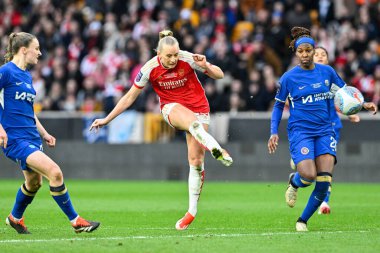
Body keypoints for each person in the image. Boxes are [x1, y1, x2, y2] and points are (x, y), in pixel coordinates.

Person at [90, 30, 233, 231]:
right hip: (171, 108)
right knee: (192, 123)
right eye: (169, 56)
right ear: (159, 54)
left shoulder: (187, 58)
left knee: (196, 161)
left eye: (176, 54)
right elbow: (129, 98)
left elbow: (220, 75)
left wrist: (205, 65)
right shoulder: (149, 68)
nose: (174, 59)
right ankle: (216, 147)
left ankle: (191, 212)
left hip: (200, 107)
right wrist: (106, 119)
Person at [267, 27, 377, 232]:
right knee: (308, 176)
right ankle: (295, 182)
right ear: (297, 53)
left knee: (324, 180)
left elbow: (344, 93)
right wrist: (274, 131)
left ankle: (302, 220)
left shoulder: (327, 72)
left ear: (313, 50)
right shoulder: (289, 78)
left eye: (308, 50)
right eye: (301, 51)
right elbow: (278, 106)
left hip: (326, 130)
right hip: (301, 131)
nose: (305, 54)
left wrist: (364, 104)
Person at [0, 32, 100, 234]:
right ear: (23, 49)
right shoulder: (6, 72)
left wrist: (44, 133)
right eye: (36, 48)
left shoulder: (26, 76)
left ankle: (15, 218)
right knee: (55, 172)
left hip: (32, 137)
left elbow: (29, 112)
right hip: (15, 139)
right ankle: (76, 221)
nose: (39, 52)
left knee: (34, 183)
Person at [289, 46, 361, 215]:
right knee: (310, 171)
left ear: (328, 60)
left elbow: (343, 100)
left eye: (324, 55)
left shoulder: (329, 78)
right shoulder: (305, 80)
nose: (320, 57)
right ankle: (297, 178)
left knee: (326, 169)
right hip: (308, 128)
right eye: (318, 54)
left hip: (331, 127)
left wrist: (351, 115)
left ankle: (324, 202)